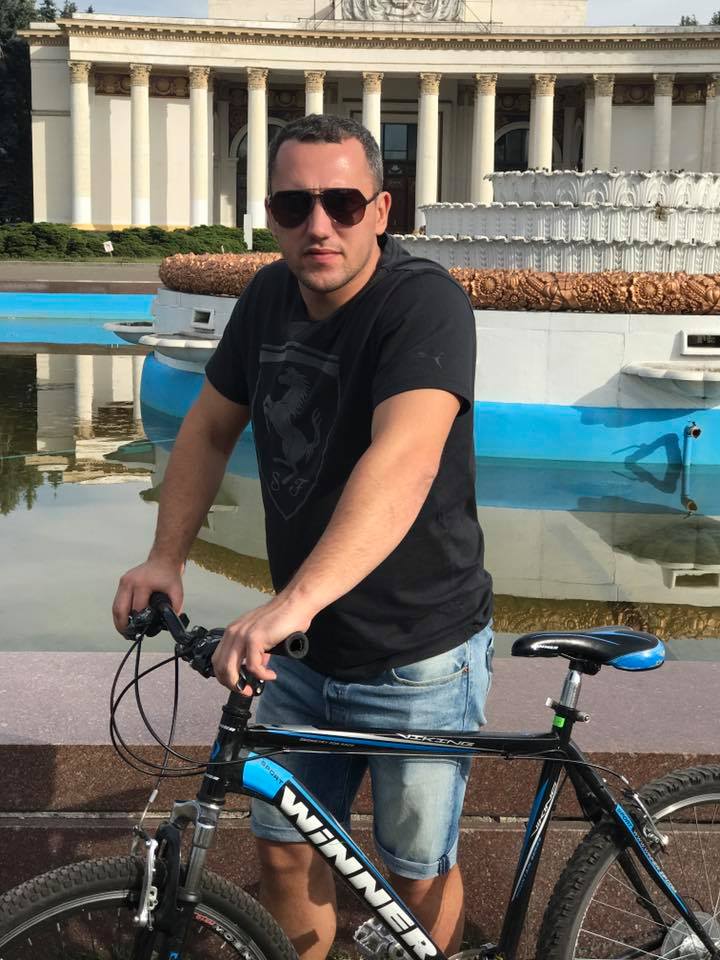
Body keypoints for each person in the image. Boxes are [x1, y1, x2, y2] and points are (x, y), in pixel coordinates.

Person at [113, 114, 493, 960]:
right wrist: (166, 556)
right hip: (301, 654)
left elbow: (403, 462)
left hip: (416, 652)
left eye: (343, 203)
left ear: (382, 210)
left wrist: (291, 603)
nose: (319, 225)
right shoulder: (268, 298)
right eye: (295, 205)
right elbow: (208, 428)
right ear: (272, 215)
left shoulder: (423, 303)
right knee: (284, 853)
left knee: (415, 873)